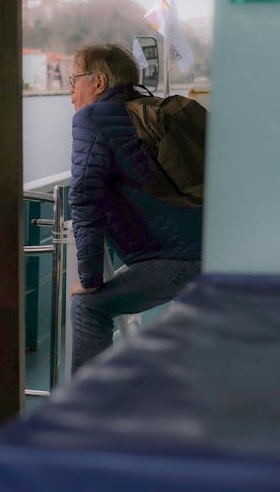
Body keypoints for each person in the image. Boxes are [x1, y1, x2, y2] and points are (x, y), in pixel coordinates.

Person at [69, 43, 202, 373]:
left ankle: (87, 414)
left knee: (88, 307)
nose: (70, 92)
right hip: (209, 249)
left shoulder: (92, 118)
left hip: (177, 260)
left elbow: (85, 199)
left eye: (74, 80)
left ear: (98, 82)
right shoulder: (147, 110)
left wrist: (89, 279)